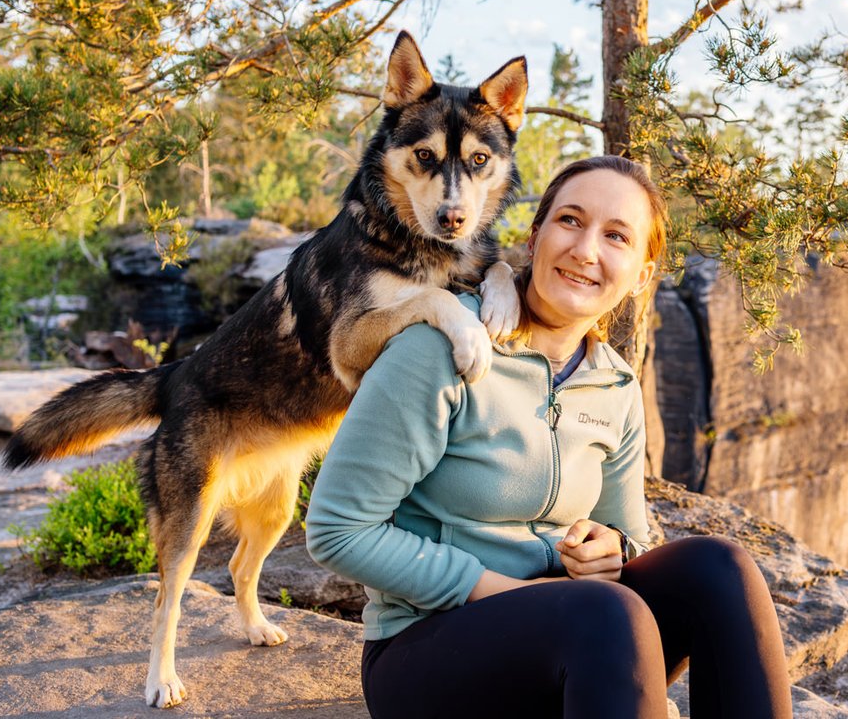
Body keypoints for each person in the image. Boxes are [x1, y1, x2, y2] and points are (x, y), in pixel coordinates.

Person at [305, 155, 793, 719]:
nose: (586, 250)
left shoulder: (615, 384)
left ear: (640, 275)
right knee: (608, 614)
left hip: (579, 638)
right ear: (534, 238)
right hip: (428, 651)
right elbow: (338, 530)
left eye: (616, 235)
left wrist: (609, 549)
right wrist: (510, 592)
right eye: (569, 221)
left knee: (719, 569)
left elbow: (627, 536)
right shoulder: (440, 348)